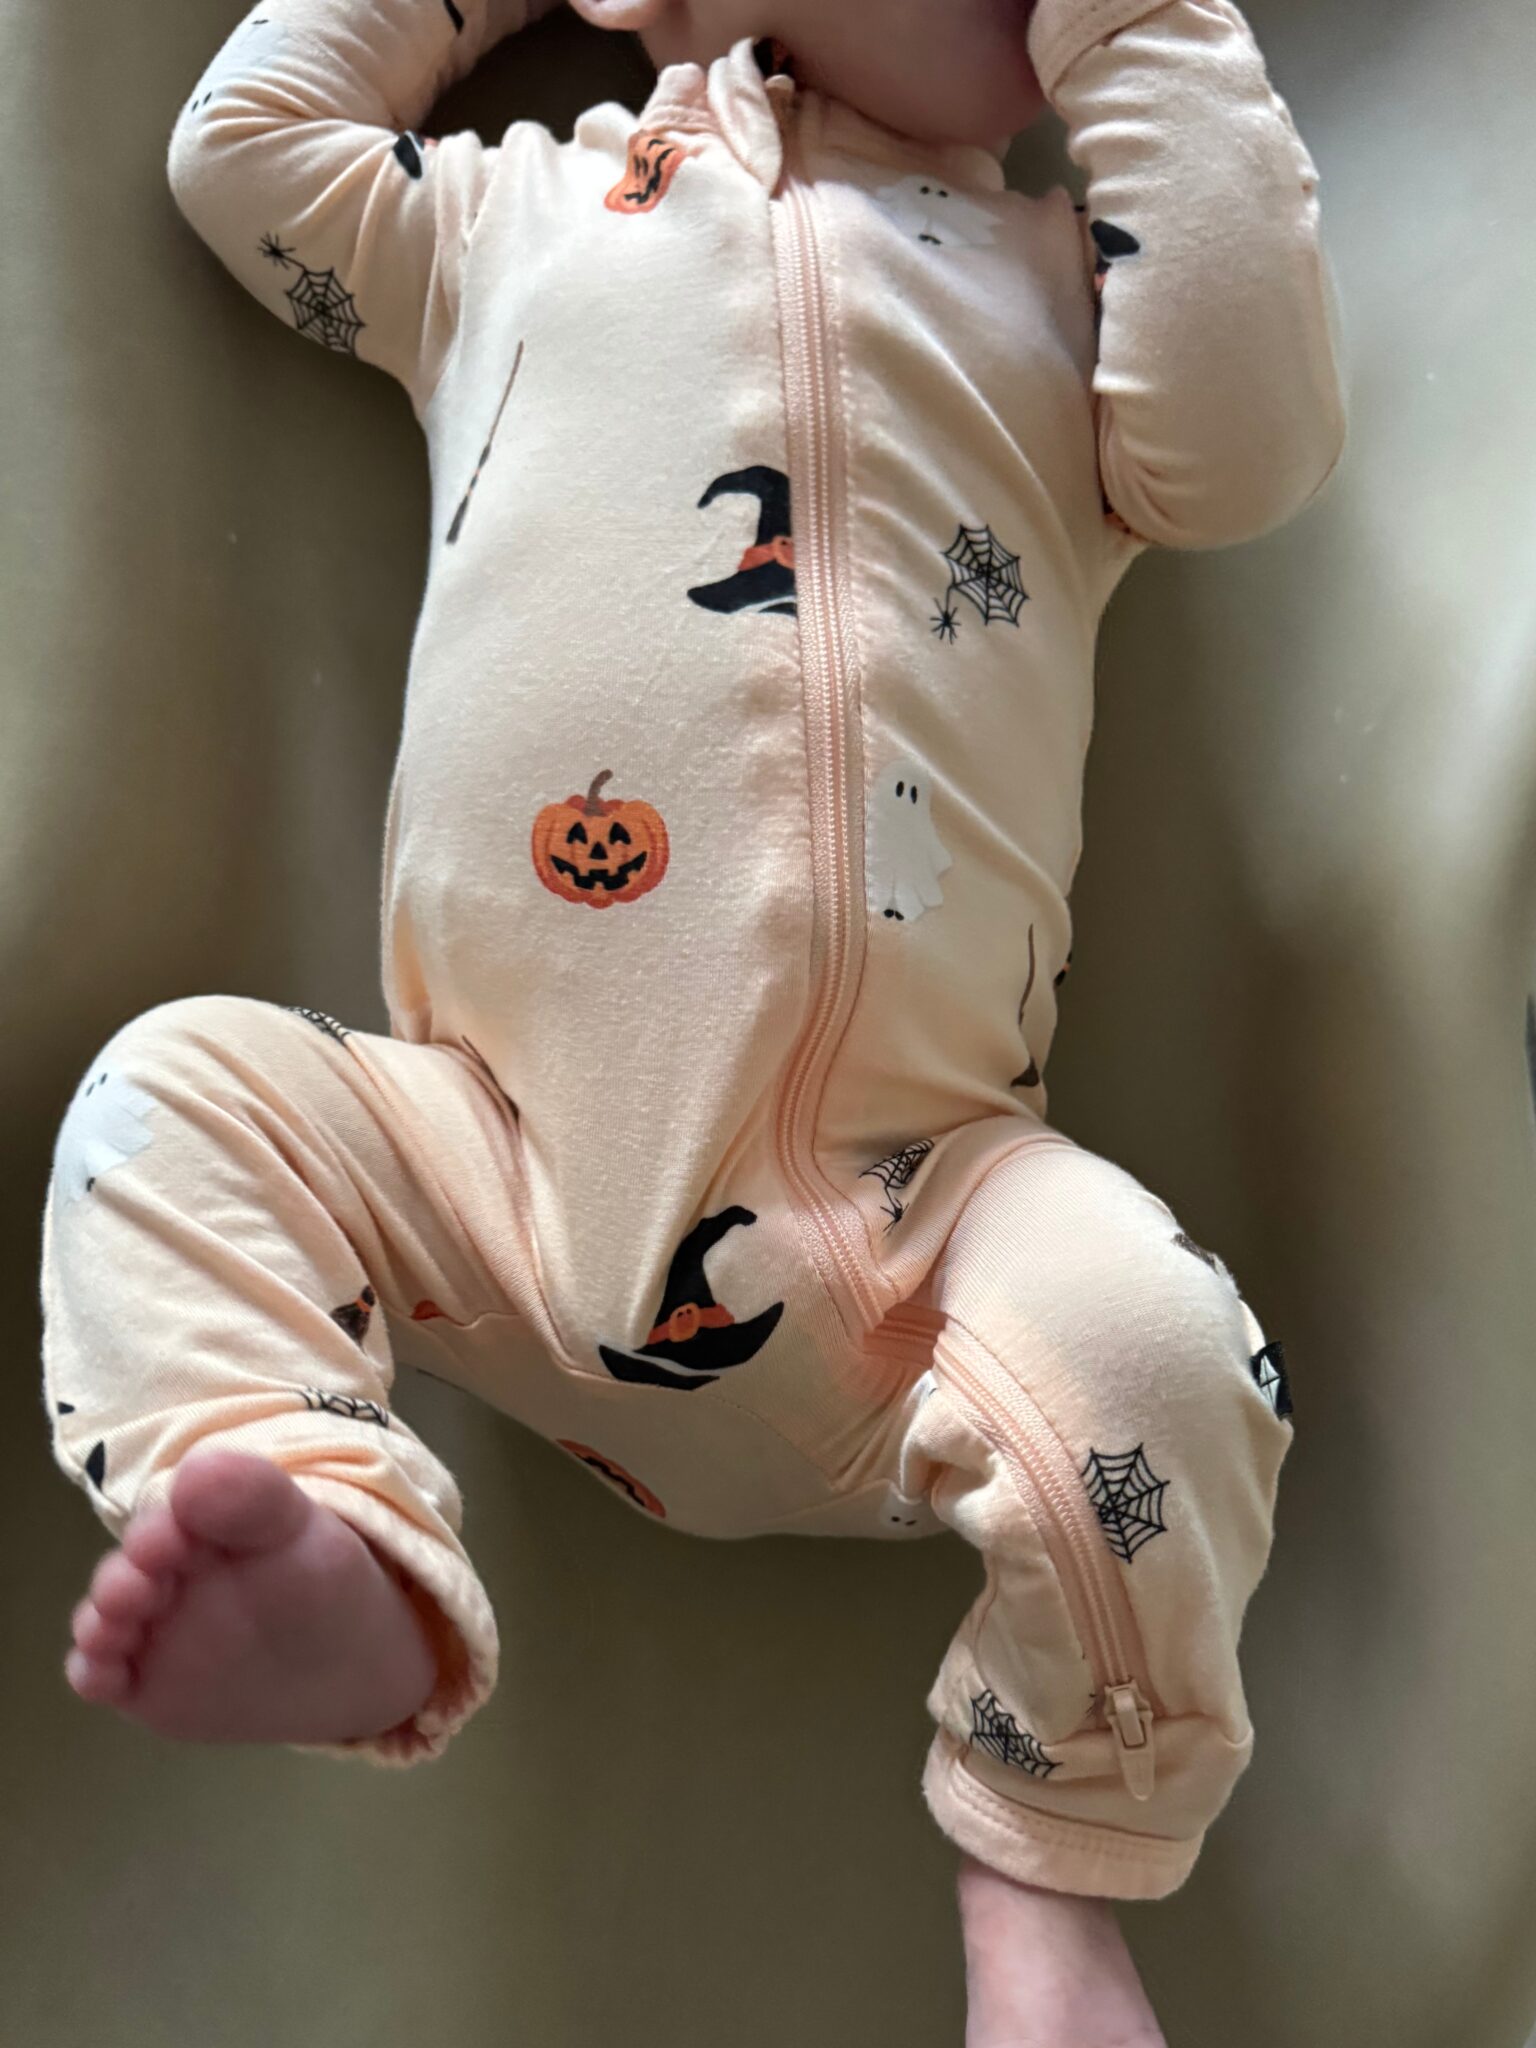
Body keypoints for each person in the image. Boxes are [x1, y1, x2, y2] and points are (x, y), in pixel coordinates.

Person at [45, 0, 1343, 2039]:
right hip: (488, 1168)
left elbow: (1257, 434)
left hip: (933, 1229)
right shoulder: (501, 222)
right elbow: (247, 145)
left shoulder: (1077, 300)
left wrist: (1145, 33)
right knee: (172, 1105)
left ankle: (1046, 1865)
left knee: (1161, 1355)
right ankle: (329, 1538)